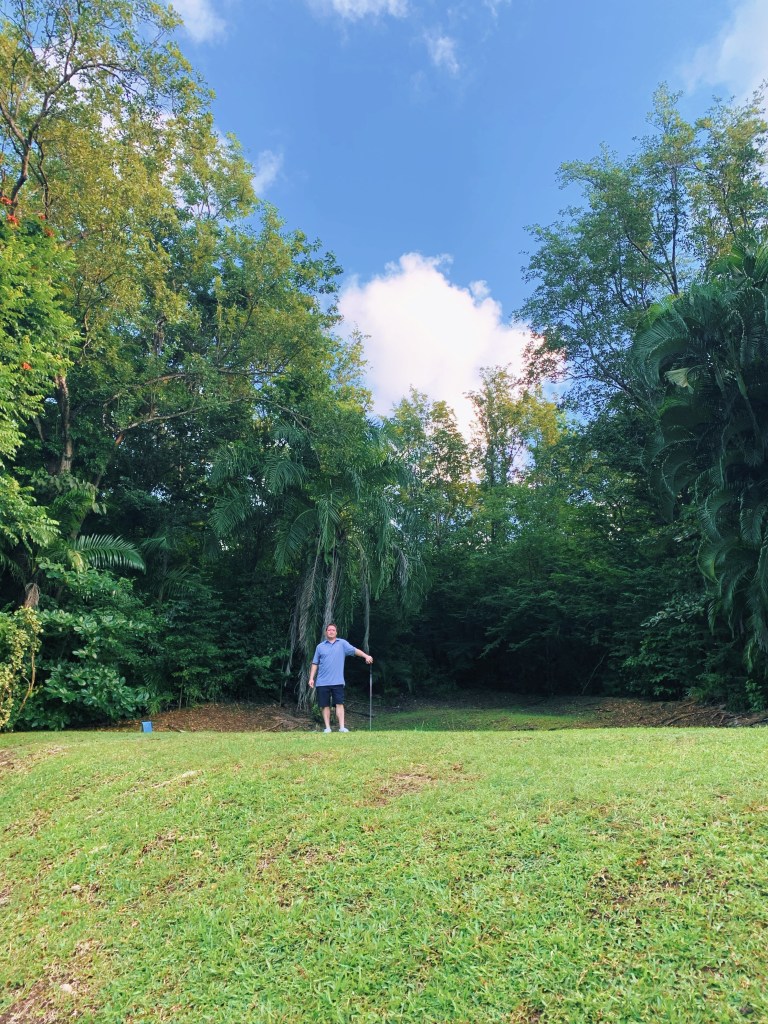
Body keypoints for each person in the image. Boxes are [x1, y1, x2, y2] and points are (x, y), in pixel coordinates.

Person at [309, 623, 373, 732]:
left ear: (336, 632)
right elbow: (315, 663)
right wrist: (311, 678)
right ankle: (327, 728)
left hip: (337, 681)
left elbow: (354, 650)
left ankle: (342, 727)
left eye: (333, 630)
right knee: (325, 705)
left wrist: (366, 656)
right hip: (322, 682)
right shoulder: (320, 647)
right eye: (329, 630)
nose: (331, 631)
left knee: (339, 704)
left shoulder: (342, 644)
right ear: (326, 632)